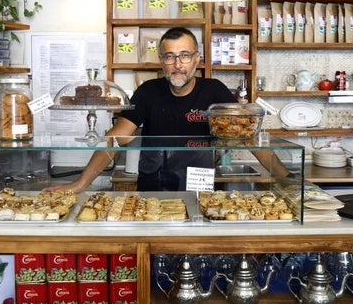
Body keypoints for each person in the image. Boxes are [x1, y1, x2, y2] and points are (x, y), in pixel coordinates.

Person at [44, 27, 291, 193]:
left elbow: (248, 137)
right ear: (162, 61)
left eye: (184, 56)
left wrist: (287, 180)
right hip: (153, 185)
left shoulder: (214, 92)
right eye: (170, 57)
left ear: (197, 58)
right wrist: (80, 184)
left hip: (199, 185)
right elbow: (115, 139)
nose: (177, 65)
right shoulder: (148, 91)